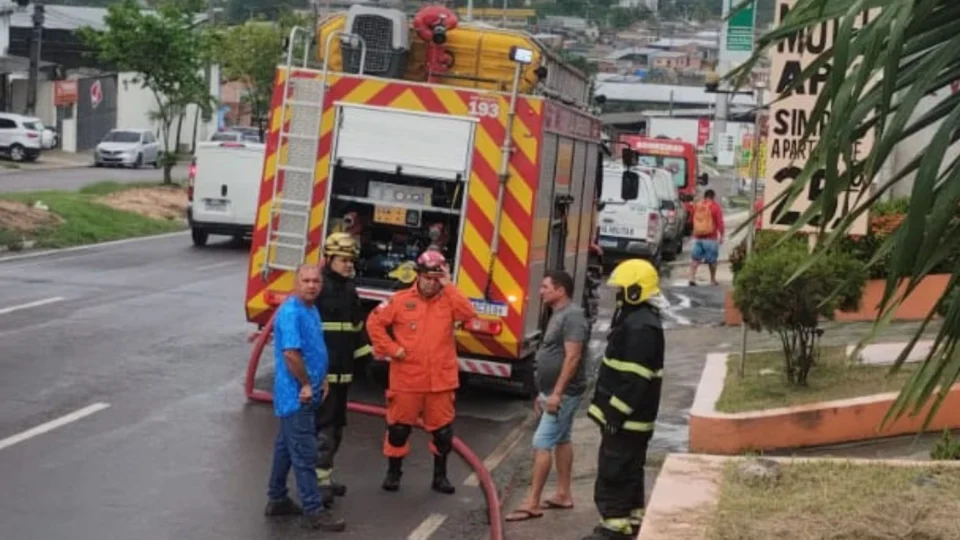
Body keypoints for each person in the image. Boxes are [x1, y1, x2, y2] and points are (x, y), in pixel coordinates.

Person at [365, 249, 477, 494]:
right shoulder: (400, 300)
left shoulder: (449, 300)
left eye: (436, 278)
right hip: (407, 379)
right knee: (398, 429)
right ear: (418, 275)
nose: (431, 283)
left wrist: (449, 285)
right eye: (427, 277)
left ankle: (440, 477)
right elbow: (374, 323)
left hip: (440, 381)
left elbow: (469, 314)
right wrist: (392, 349)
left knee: (443, 434)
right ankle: (394, 473)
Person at [584, 259, 664, 540]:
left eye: (622, 290)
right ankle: (631, 519)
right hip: (632, 420)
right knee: (629, 469)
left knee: (614, 470)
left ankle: (614, 527)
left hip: (626, 420)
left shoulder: (640, 328)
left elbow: (634, 379)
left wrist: (615, 415)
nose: (617, 295)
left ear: (635, 291)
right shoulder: (639, 321)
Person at [264, 264, 346, 532]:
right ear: (296, 282)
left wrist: (321, 378)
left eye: (316, 281)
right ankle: (313, 511)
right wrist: (307, 384)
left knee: (285, 448)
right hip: (296, 395)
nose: (312, 285)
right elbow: (291, 354)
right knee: (305, 453)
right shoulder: (291, 312)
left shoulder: (311, 309)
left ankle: (277, 499)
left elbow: (313, 347)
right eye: (306, 280)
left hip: (307, 390)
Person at [505, 270, 589, 522]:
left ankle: (532, 503)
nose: (540, 291)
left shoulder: (572, 317)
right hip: (552, 392)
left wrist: (556, 394)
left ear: (560, 290)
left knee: (542, 443)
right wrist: (543, 392)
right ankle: (563, 494)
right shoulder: (558, 315)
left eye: (545, 287)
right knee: (562, 439)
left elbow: (573, 357)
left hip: (564, 394)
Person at [313, 233, 372, 507]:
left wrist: (366, 361)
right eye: (343, 260)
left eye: (351, 260)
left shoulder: (348, 289)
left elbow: (356, 329)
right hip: (322, 376)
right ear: (328, 259)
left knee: (336, 427)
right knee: (322, 430)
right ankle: (316, 484)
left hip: (342, 374)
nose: (349, 265)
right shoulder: (319, 288)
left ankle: (325, 478)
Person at [688, 189, 725, 286]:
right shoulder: (715, 207)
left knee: (695, 259)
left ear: (705, 196)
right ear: (713, 197)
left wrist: (694, 231)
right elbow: (720, 222)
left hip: (698, 237)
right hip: (711, 238)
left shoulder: (698, 206)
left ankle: (692, 277)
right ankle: (712, 280)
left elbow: (691, 220)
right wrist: (721, 235)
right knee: (712, 260)